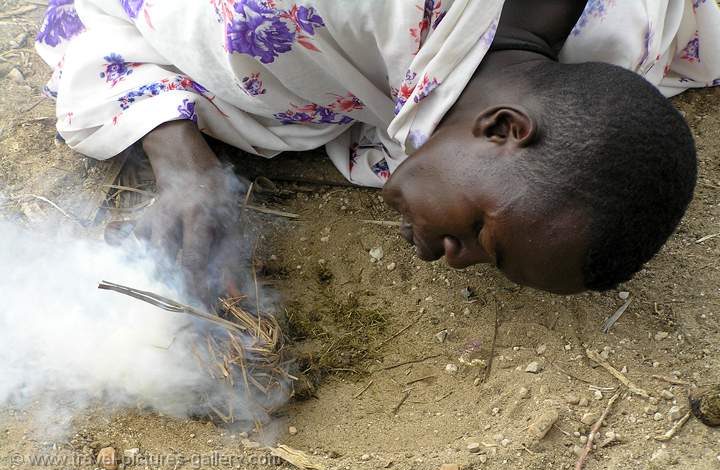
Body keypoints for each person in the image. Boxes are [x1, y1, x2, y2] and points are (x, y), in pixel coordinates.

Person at [35, 0, 720, 298]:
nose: (445, 258)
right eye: (482, 232)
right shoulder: (280, 20)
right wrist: (182, 163)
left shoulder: (633, 42)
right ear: (504, 127)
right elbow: (88, 19)